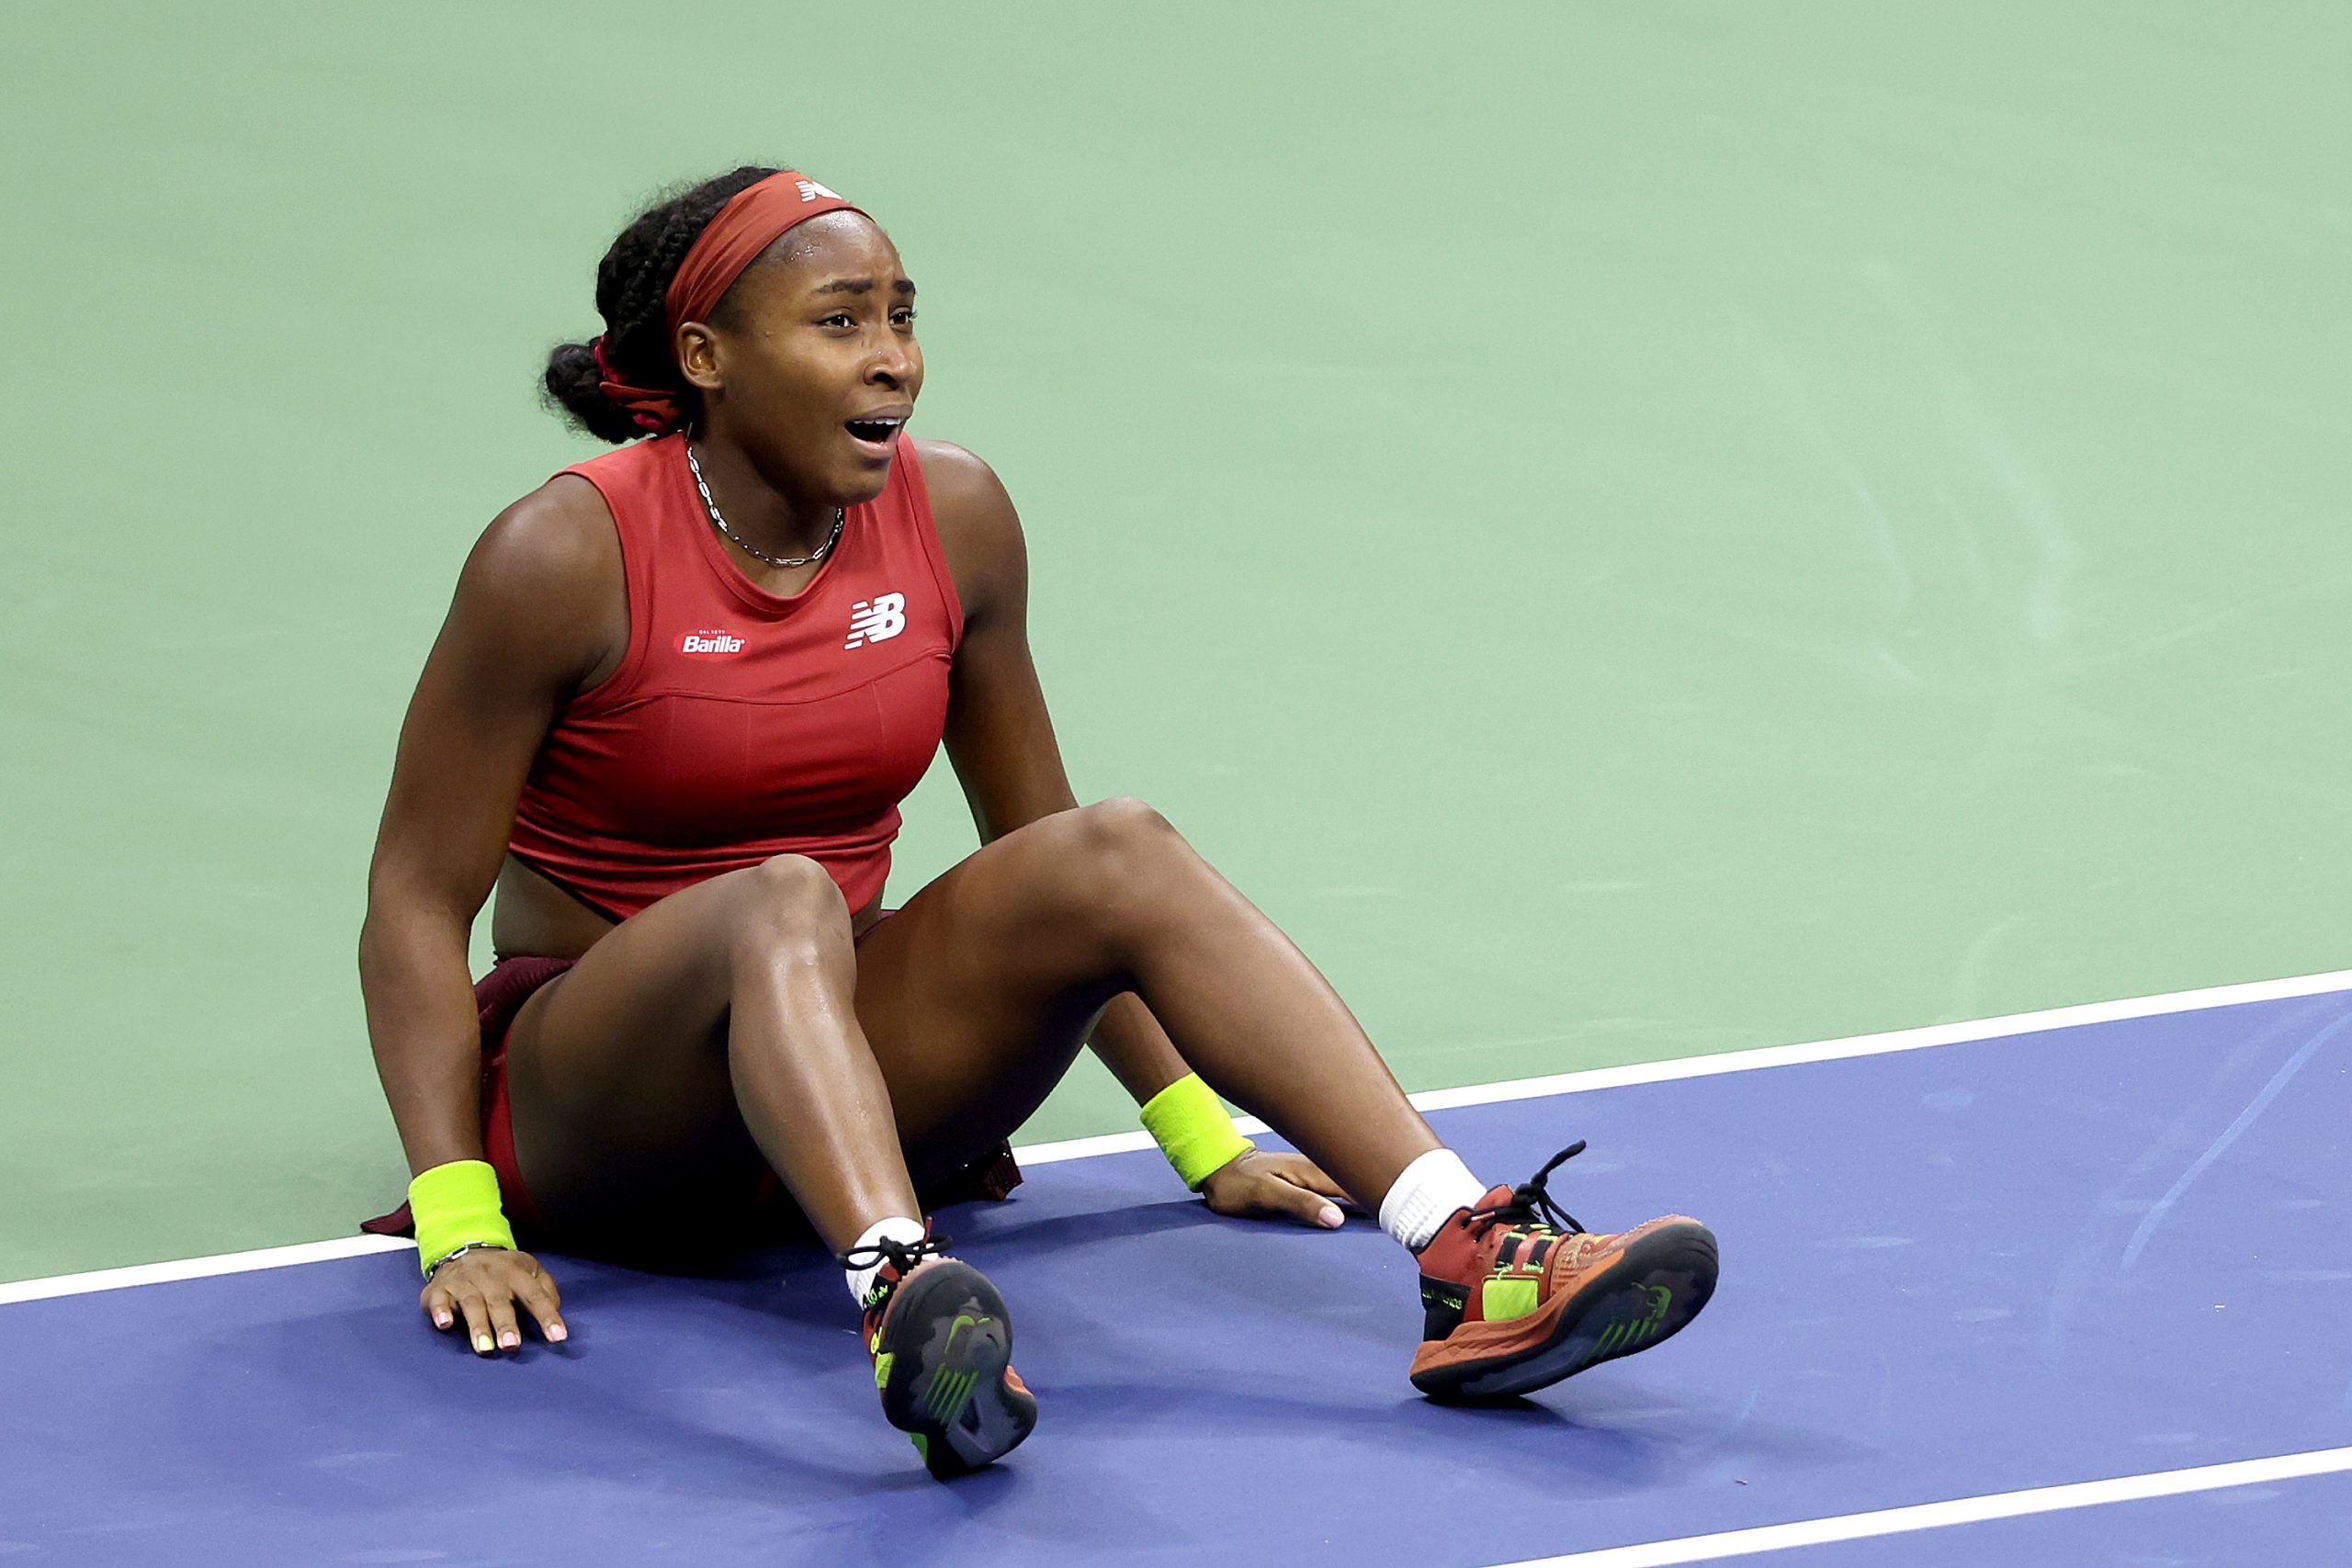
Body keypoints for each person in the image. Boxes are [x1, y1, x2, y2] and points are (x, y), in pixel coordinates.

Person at [357, 164, 1719, 1479]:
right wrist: (458, 1221)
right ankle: (903, 1295)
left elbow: (1049, 862)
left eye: (900, 313)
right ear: (705, 357)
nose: (892, 356)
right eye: (839, 323)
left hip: (831, 1066)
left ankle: (1466, 1251)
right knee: (783, 896)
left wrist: (1203, 1140)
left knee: (1113, 842)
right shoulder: (564, 554)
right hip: (603, 1112)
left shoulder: (956, 516)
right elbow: (416, 902)